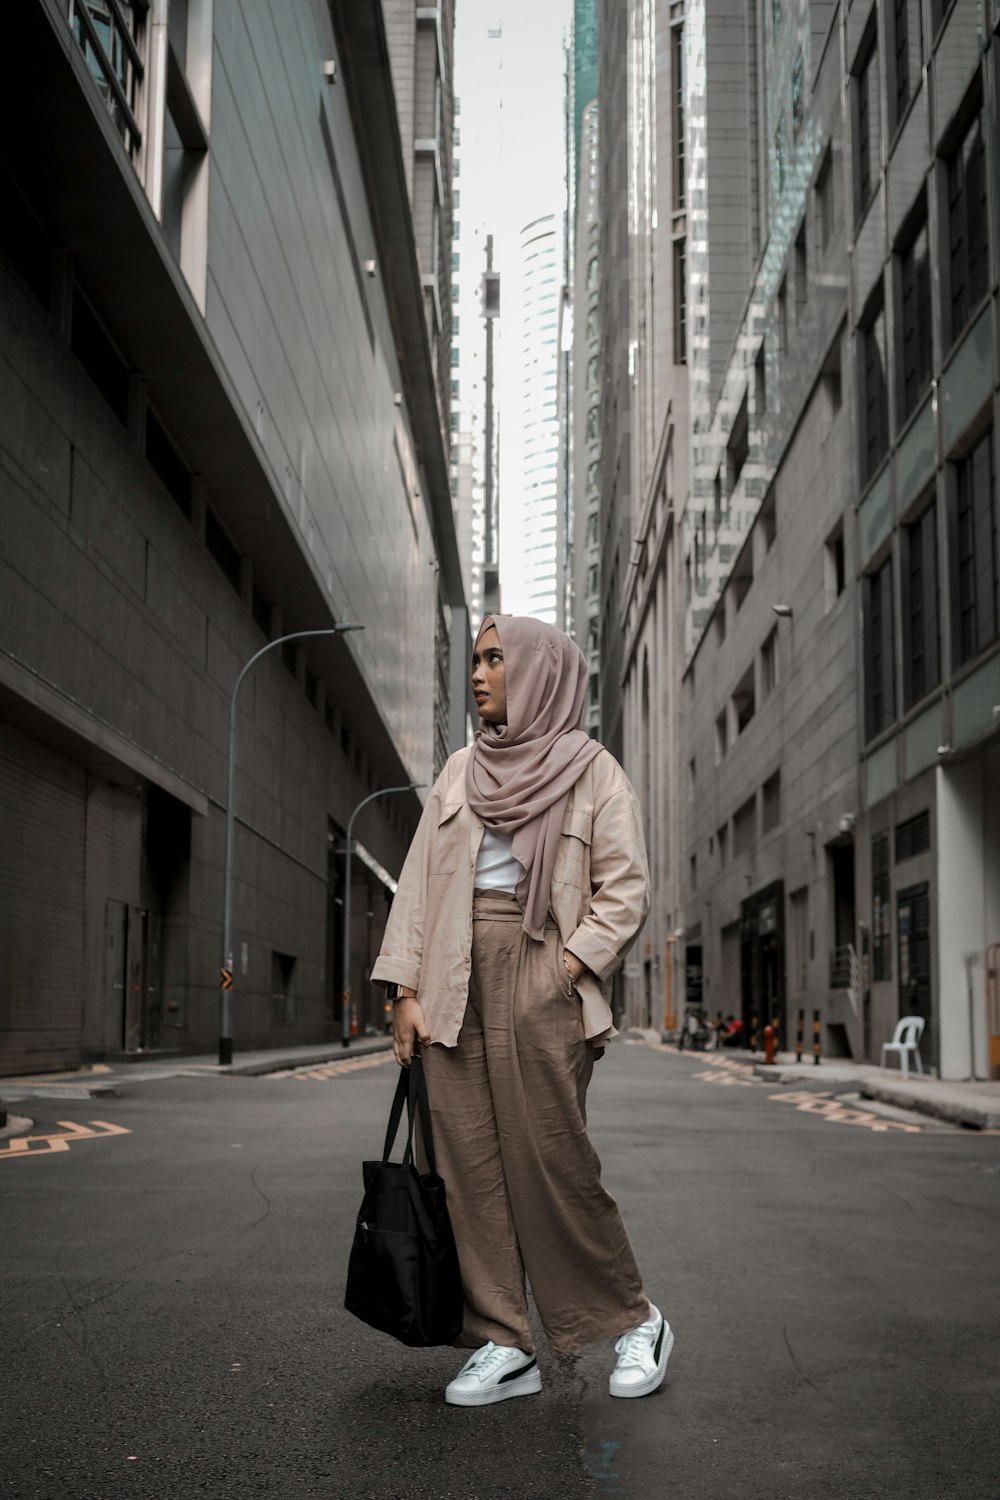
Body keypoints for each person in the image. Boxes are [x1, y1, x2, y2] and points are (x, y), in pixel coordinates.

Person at [371, 614, 674, 1408]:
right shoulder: (460, 770)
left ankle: (634, 1320)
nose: (480, 674)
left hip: (542, 961)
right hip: (448, 973)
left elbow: (626, 888)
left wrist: (566, 968)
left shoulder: (592, 771)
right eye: (476, 660)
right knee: (463, 1165)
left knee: (552, 1163)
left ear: (540, 670)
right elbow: (418, 885)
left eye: (496, 660)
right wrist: (404, 992)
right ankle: (503, 1342)